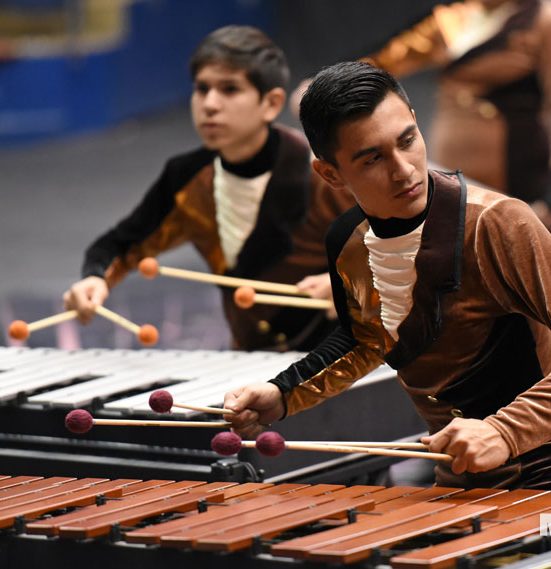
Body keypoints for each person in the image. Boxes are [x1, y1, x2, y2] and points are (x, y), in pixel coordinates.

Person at [224, 62, 551, 491]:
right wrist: (284, 392)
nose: (403, 170)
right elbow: (369, 339)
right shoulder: (348, 242)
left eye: (407, 141)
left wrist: (505, 431)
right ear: (331, 173)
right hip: (456, 483)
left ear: (417, 125)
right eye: (373, 159)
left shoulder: (495, 223)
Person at [63, 25, 355, 351]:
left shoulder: (321, 172)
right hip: (252, 359)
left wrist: (350, 285)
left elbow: (398, 245)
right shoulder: (188, 178)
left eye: (229, 89)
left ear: (271, 103)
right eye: (202, 89)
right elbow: (123, 243)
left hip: (341, 354)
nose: (210, 104)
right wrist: (95, 278)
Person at [358, 0, 551, 237]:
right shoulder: (454, 18)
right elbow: (389, 58)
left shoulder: (547, 19)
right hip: (451, 173)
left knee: (518, 263)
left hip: (516, 174)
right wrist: (337, 85)